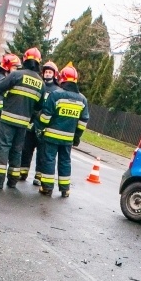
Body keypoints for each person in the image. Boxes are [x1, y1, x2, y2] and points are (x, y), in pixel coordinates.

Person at [0, 47, 44, 189]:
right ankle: (12, 181)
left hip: (8, 119)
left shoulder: (17, 75)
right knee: (17, 150)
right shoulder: (41, 83)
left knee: (3, 147)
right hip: (24, 123)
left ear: (25, 59)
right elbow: (39, 106)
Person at [37, 64, 89, 198]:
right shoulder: (82, 99)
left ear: (62, 79)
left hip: (51, 136)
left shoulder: (56, 95)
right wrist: (76, 137)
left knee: (49, 160)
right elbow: (83, 121)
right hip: (68, 139)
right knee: (65, 161)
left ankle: (47, 188)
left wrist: (39, 127)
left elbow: (45, 116)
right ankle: (65, 189)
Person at [20, 60, 59, 184]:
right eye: (46, 72)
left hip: (45, 126)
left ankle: (38, 176)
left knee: (42, 153)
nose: (47, 74)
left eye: (50, 72)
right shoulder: (39, 85)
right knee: (26, 149)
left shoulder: (57, 90)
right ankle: (22, 172)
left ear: (54, 74)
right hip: (32, 123)